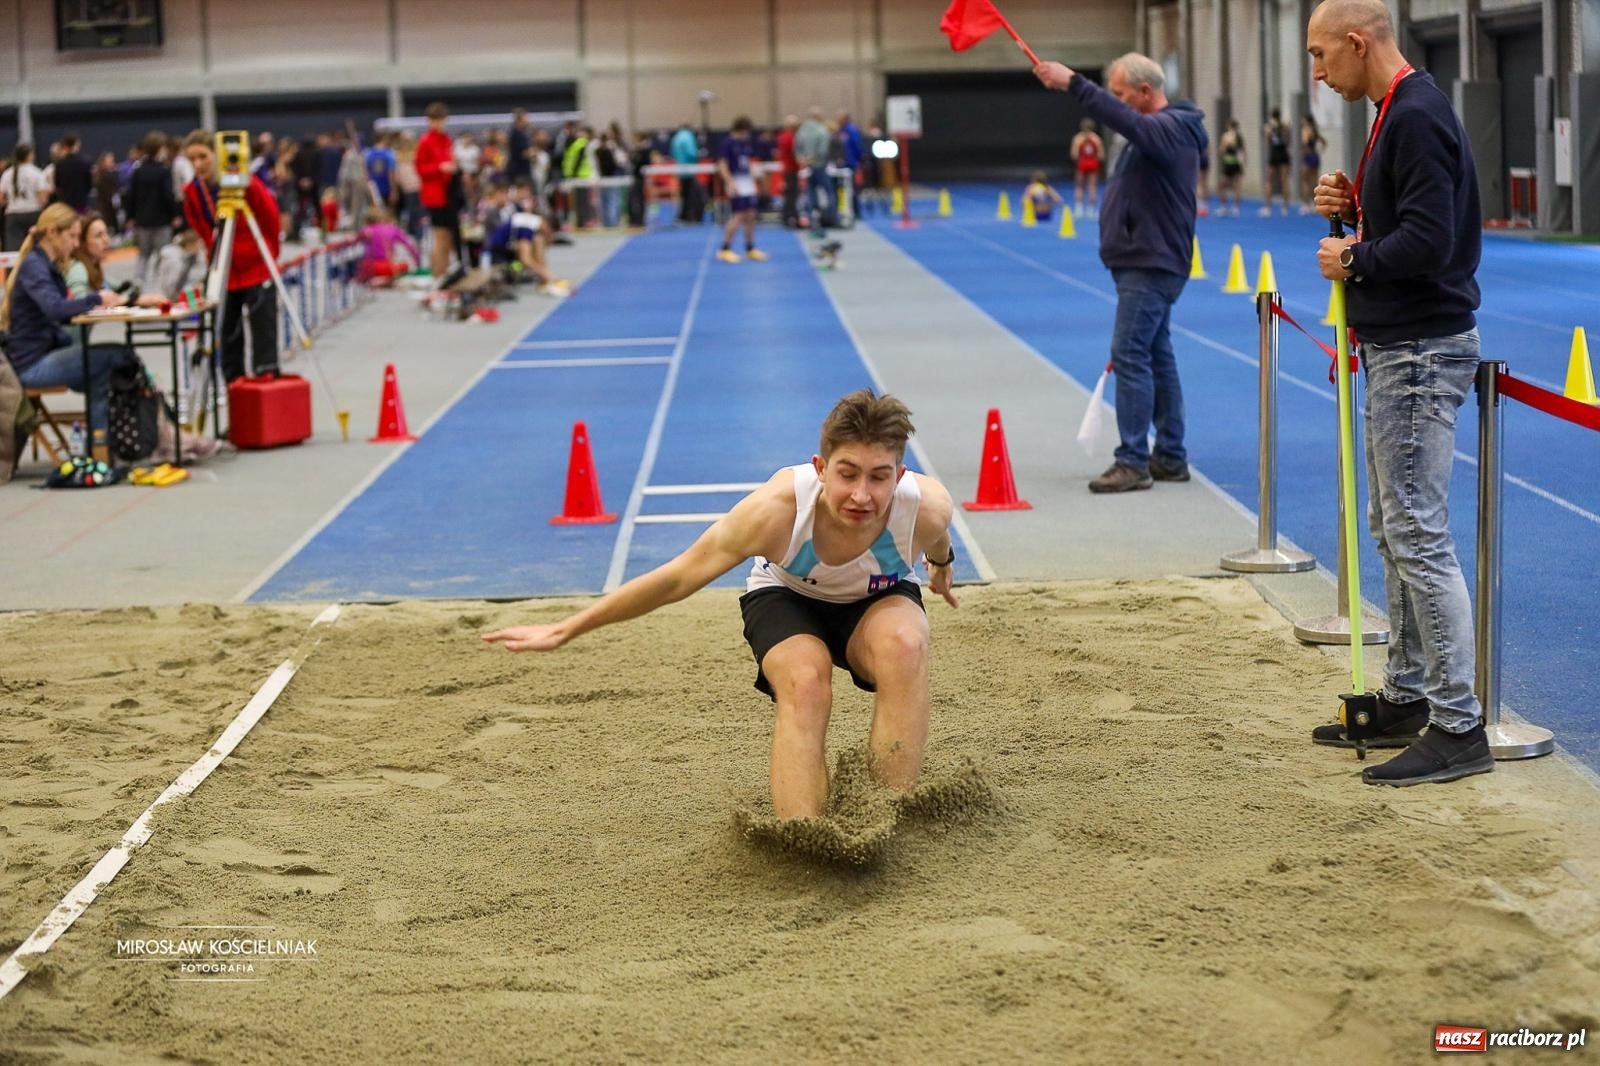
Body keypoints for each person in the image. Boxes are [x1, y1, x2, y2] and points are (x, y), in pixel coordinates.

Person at [483, 389, 961, 821]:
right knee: (806, 680)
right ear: (820, 468)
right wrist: (570, 627)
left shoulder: (927, 506)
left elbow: (936, 539)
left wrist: (942, 566)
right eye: (847, 474)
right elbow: (678, 577)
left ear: (899, 477)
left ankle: (892, 811)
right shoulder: (775, 513)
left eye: (879, 478)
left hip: (876, 601)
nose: (862, 495)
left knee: (905, 644)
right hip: (788, 597)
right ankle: (805, 836)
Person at [1306, 0, 1492, 786]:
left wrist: (1355, 259)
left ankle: (1458, 723)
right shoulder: (1393, 110)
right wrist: (1357, 211)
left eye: (1321, 55)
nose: (1317, 73)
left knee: (1416, 532)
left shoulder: (1413, 114)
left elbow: (1431, 242)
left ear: (1358, 42)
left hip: (1419, 349)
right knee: (1394, 527)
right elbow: (1408, 224)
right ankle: (1410, 695)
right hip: (1398, 346)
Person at [1034, 52, 1207, 493]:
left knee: (1129, 352)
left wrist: (1074, 83)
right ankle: (1169, 454)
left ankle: (1133, 459)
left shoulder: (1170, 129)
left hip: (1151, 264)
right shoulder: (1156, 134)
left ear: (1146, 92)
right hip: (1143, 260)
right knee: (1155, 354)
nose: (1114, 102)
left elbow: (1131, 124)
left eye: (1120, 93)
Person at [0, 203, 133, 436]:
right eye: (71, 236)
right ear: (52, 233)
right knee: (117, 356)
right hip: (32, 364)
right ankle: (104, 442)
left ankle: (101, 444)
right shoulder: (35, 266)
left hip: (37, 356)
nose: (75, 244)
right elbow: (55, 310)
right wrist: (96, 300)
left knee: (101, 374)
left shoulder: (42, 265)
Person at [182, 129, 282, 383]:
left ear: (217, 155)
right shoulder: (192, 191)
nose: (198, 164)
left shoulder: (245, 181)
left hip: (256, 265)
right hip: (223, 270)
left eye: (203, 157)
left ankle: (266, 378)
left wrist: (269, 253)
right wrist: (214, 256)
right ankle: (234, 385)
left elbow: (270, 216)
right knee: (227, 333)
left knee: (264, 331)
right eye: (192, 159)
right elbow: (202, 229)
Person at [415, 102, 460, 288]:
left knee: (449, 237)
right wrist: (439, 167)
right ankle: (436, 277)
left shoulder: (446, 139)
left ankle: (445, 272)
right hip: (434, 194)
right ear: (429, 121)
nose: (438, 124)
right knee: (440, 237)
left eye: (441, 120)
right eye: (435, 121)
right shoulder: (425, 141)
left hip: (448, 191)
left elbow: (450, 159)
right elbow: (420, 168)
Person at [716, 117, 767, 264]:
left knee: (751, 214)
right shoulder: (728, 143)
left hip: (746, 181)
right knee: (738, 216)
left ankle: (750, 248)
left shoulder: (745, 143)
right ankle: (725, 249)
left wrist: (754, 174)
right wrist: (729, 182)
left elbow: (745, 162)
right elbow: (722, 164)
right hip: (736, 181)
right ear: (741, 130)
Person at [2, 144, 50, 252]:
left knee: (14, 249)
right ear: (30, 156)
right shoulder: (37, 173)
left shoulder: (7, 174)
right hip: (33, 213)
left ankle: (14, 268)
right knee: (37, 246)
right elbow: (43, 199)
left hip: (13, 214)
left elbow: (1, 199)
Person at [1069, 119, 1105, 218]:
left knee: (1079, 186)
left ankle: (1079, 209)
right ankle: (1091, 210)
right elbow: (1101, 155)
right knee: (1092, 186)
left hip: (1082, 163)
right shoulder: (1096, 139)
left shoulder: (1077, 139)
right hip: (1093, 164)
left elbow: (1074, 155)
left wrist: (1081, 159)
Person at [1262, 108, 1292, 216]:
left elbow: (1267, 140)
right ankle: (1285, 208)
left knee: (1270, 180)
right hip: (1283, 153)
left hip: (1274, 153)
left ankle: (1268, 208)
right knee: (1285, 181)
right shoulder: (1284, 126)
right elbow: (1288, 140)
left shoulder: (1269, 127)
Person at [1299, 113, 1327, 213]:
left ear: (1306, 121)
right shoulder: (1315, 130)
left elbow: (1305, 142)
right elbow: (1324, 142)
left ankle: (1307, 204)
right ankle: (1315, 204)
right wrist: (1320, 150)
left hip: (1309, 156)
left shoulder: (1306, 130)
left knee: (1305, 180)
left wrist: (1304, 152)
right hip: (1315, 156)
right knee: (1314, 181)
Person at [1218, 120, 1245, 216]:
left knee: (1221, 185)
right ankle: (1236, 208)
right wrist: (1243, 165)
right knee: (1236, 186)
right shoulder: (1239, 137)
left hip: (1229, 163)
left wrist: (1225, 146)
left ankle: (1223, 207)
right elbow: (1244, 152)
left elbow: (1222, 151)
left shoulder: (1226, 136)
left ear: (1229, 126)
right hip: (1237, 163)